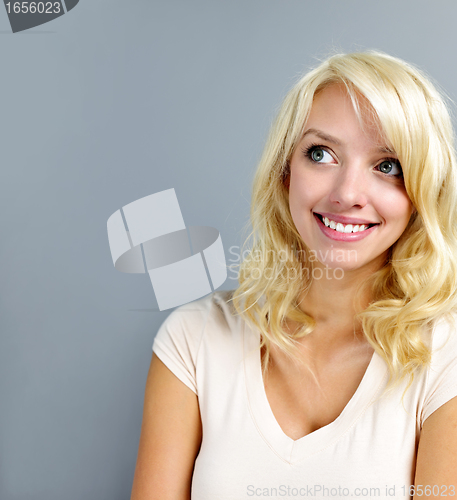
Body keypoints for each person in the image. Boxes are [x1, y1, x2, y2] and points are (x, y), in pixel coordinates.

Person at [130, 51, 457, 499]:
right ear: (285, 173)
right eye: (320, 154)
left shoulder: (446, 355)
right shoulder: (195, 338)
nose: (347, 194)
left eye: (388, 166)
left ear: (422, 191)